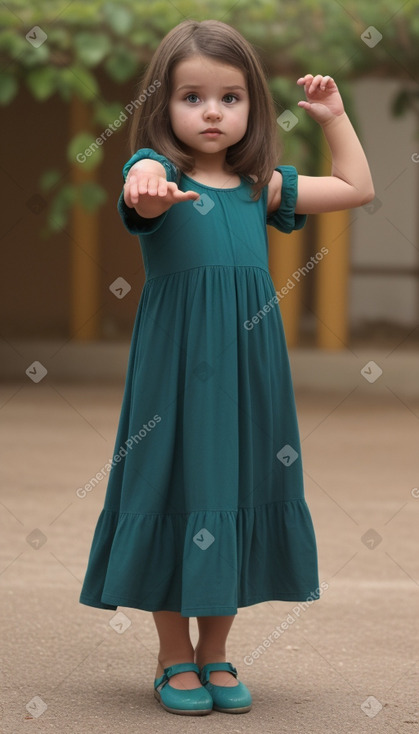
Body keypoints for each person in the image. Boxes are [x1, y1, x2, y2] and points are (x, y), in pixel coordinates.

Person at [79, 18, 374, 717]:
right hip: (175, 369)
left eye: (230, 98)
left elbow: (356, 189)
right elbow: (138, 186)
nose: (212, 111)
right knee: (173, 482)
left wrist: (333, 118)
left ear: (252, 109)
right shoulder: (154, 172)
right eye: (192, 97)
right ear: (162, 107)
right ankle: (171, 655)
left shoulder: (260, 186)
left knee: (237, 483)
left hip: (249, 366)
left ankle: (213, 651)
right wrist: (147, 184)